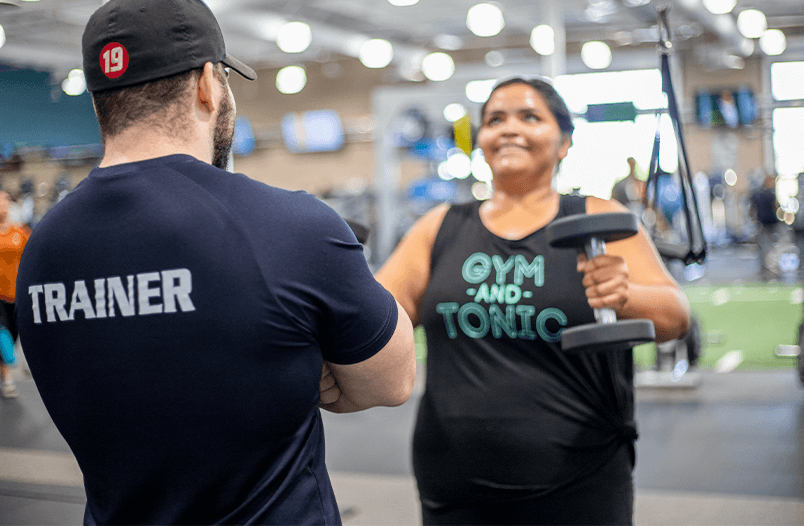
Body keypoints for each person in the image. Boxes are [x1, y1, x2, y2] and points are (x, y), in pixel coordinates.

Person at [15, 1, 416, 524]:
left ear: (100, 103)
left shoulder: (41, 249)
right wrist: (303, 363)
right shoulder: (292, 225)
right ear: (208, 84)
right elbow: (391, 381)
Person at [376, 77, 691, 525]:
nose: (508, 128)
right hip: (454, 483)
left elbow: (676, 318)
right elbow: (376, 315)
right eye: (494, 119)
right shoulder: (440, 226)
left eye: (529, 116)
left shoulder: (598, 218)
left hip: (579, 479)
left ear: (564, 142)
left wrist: (627, 294)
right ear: (480, 141)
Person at [0, 191, 30, 398]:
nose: (3, 203)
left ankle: (5, 370)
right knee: (3, 334)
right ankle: (8, 376)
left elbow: (32, 256)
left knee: (15, 333)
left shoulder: (20, 231)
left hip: (17, 293)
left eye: (5, 199)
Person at [750, 174, 780, 281]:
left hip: (765, 224)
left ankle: (767, 269)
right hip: (766, 224)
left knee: (765, 248)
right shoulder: (769, 194)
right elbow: (776, 208)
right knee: (768, 247)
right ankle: (768, 269)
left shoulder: (759, 194)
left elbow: (752, 210)